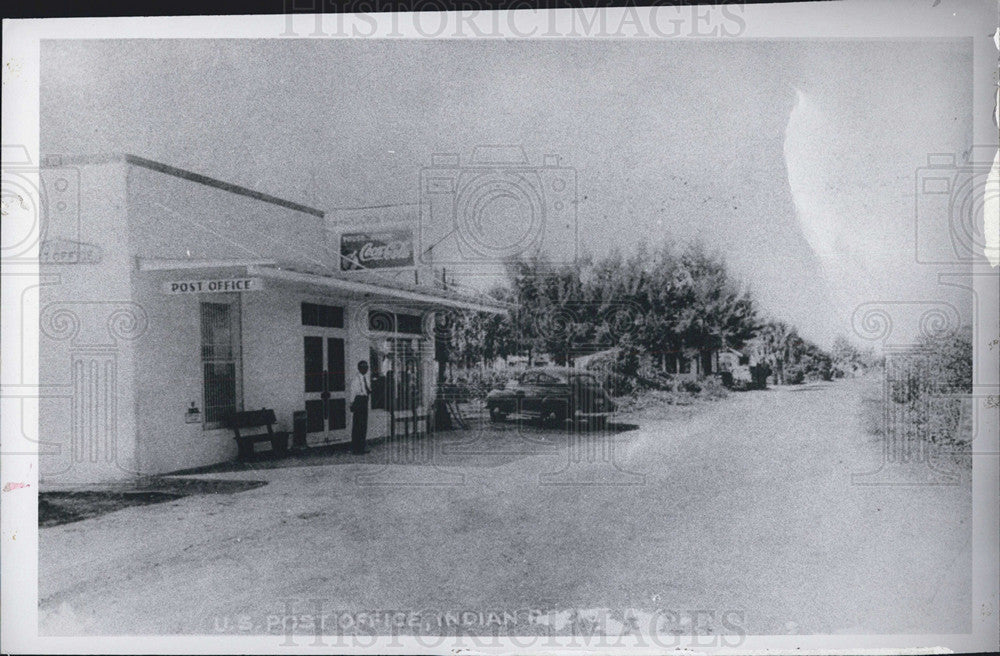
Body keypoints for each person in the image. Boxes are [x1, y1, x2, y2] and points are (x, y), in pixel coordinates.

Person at [350, 360, 371, 454]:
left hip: (364, 401)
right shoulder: (356, 379)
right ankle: (356, 448)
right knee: (357, 425)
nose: (365, 369)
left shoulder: (366, 378)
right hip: (358, 401)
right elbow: (353, 392)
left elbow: (368, 390)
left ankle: (362, 446)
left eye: (366, 367)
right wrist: (352, 403)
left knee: (363, 425)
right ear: (359, 368)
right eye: (363, 367)